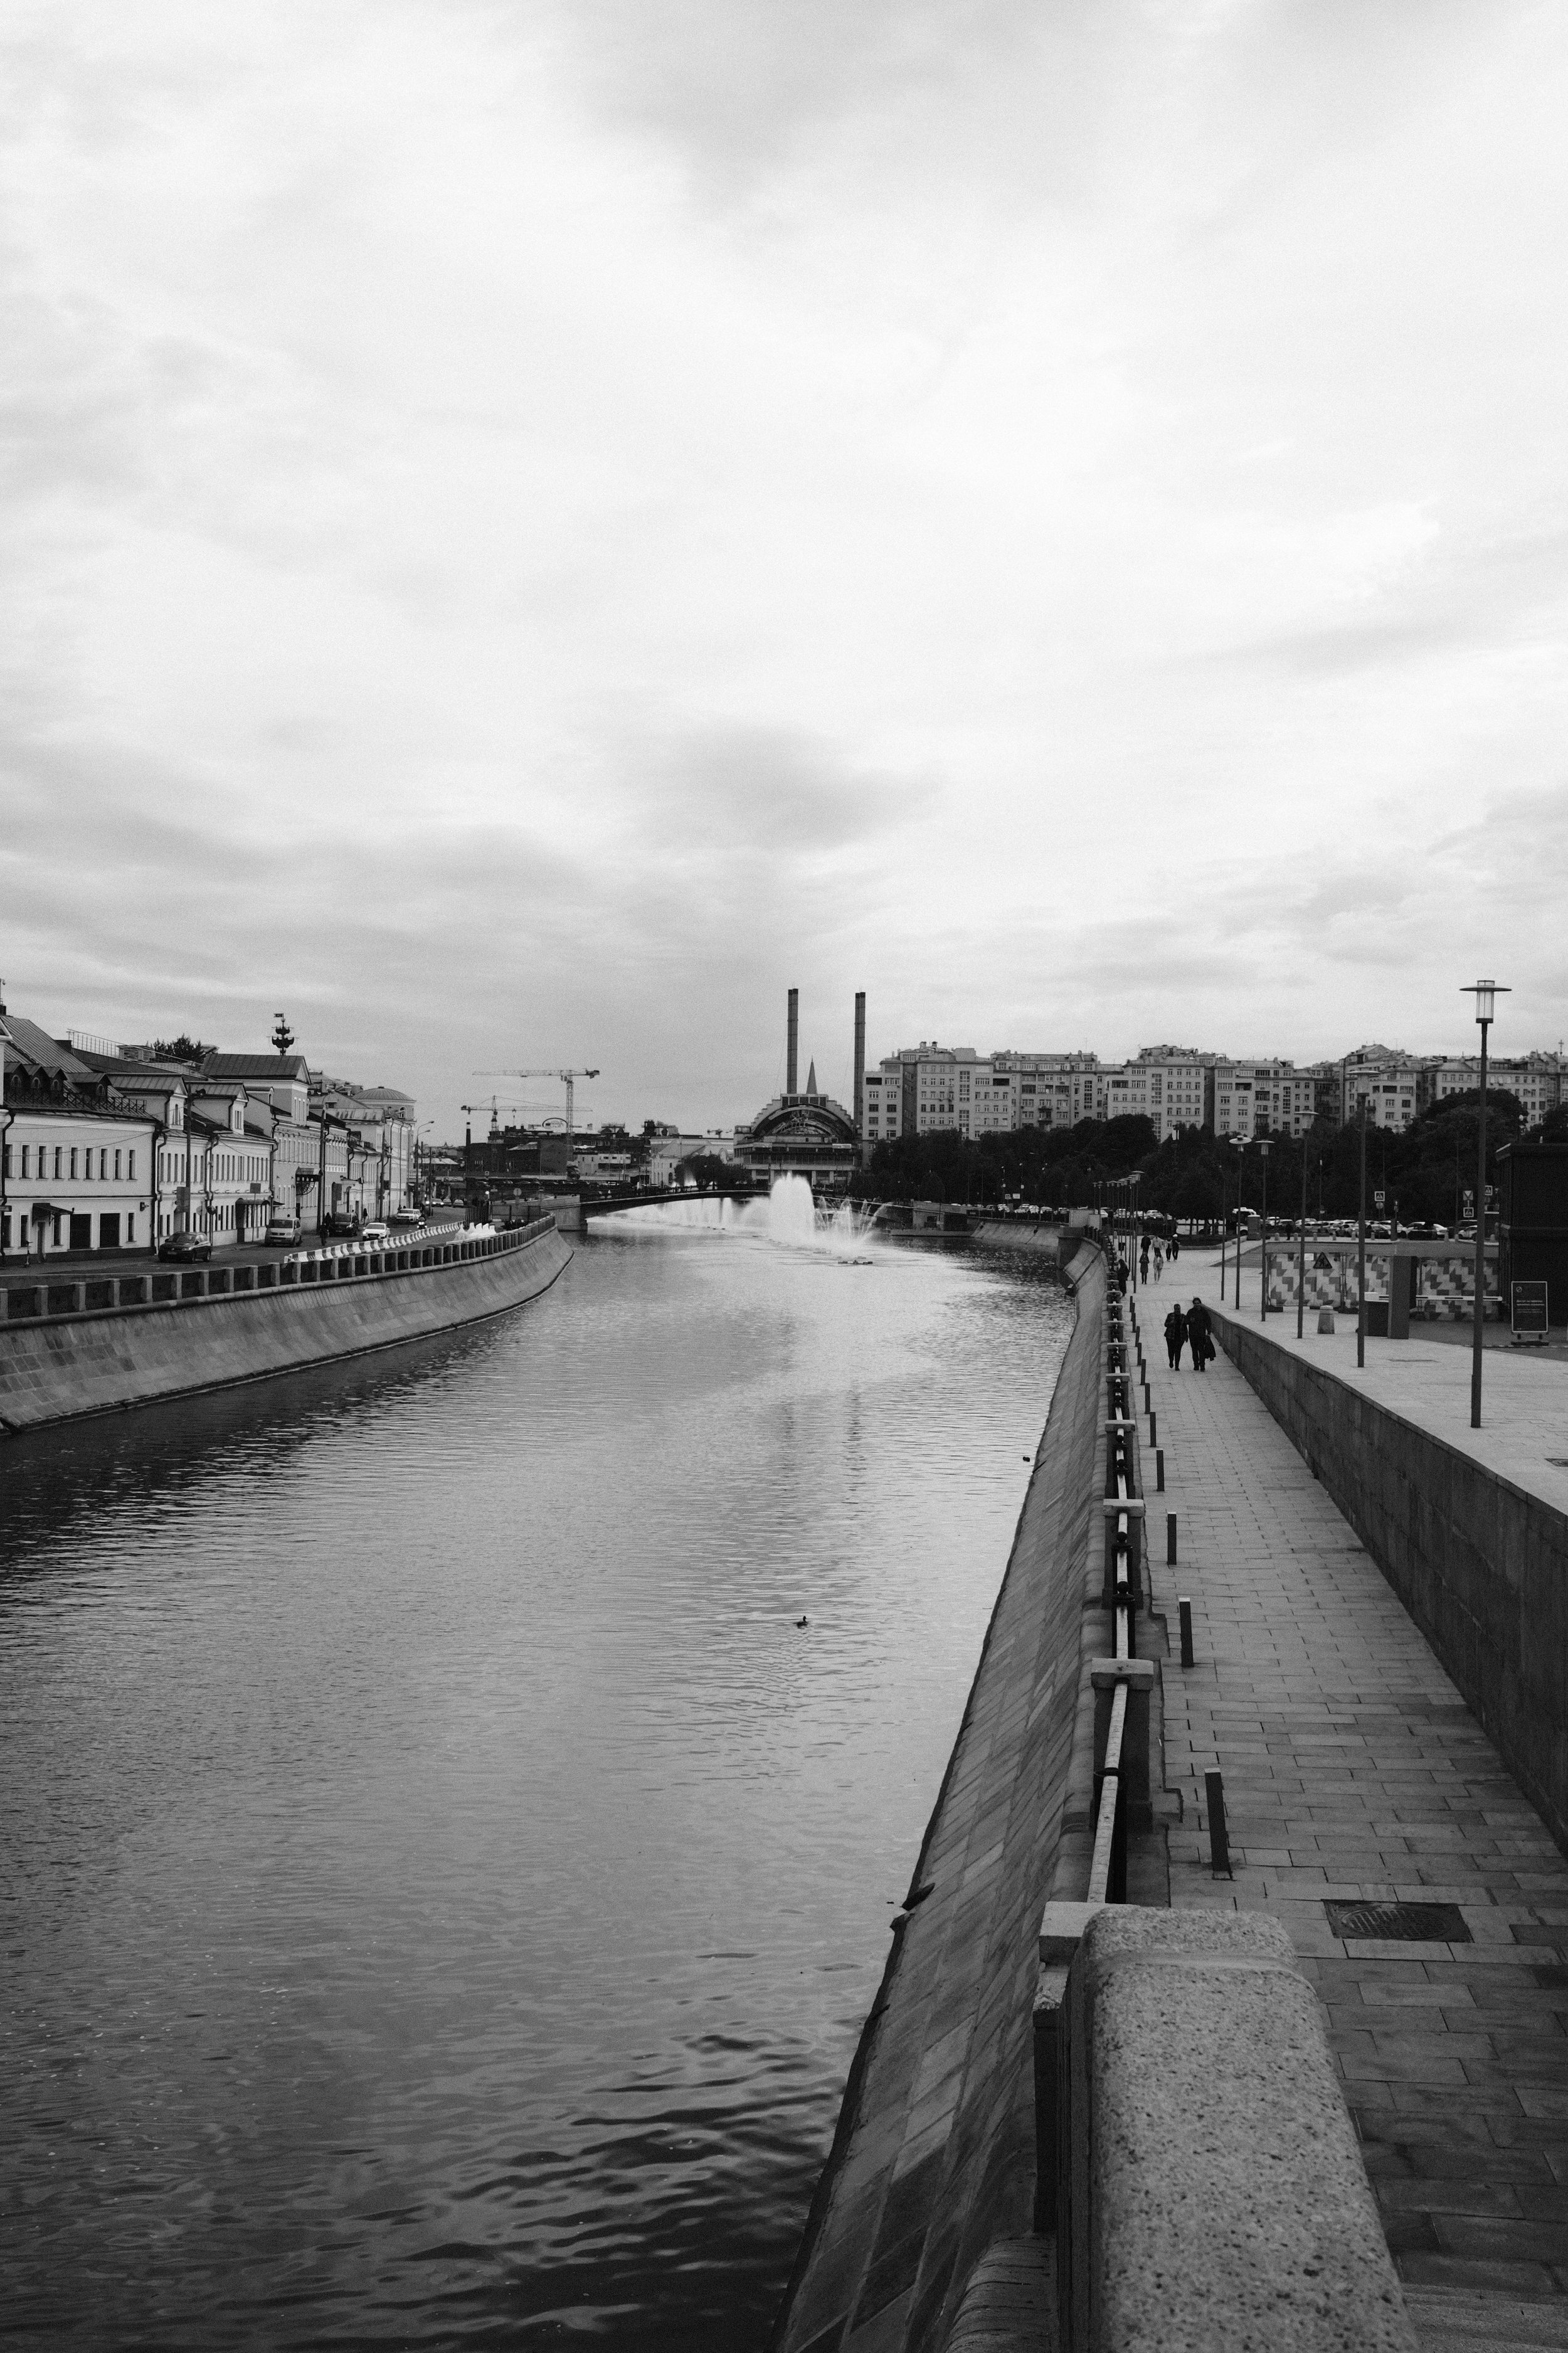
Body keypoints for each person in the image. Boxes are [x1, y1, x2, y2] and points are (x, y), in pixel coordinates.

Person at [1187, 1294, 1212, 1372]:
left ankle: (1202, 1365)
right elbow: (1186, 1321)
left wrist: (1209, 1333)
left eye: (1198, 1303)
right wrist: (1190, 1321)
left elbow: (1208, 1322)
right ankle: (1196, 1365)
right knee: (1194, 1350)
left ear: (1200, 1303)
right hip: (1193, 1334)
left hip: (1201, 1335)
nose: (1197, 1305)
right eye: (1195, 1303)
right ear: (1193, 1304)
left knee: (1201, 1350)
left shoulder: (1204, 1312)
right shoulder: (1191, 1312)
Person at [1164, 1301, 1187, 1369]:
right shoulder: (1171, 1315)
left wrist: (1186, 1336)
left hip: (1180, 1337)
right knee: (1171, 1351)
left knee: (1178, 1351)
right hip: (1170, 1336)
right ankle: (1171, 1361)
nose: (1178, 1310)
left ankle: (1177, 1366)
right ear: (1174, 1309)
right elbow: (1166, 1324)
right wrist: (1172, 1323)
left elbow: (1185, 1327)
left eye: (1179, 1309)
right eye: (1176, 1309)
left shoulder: (1183, 1317)